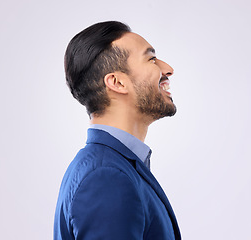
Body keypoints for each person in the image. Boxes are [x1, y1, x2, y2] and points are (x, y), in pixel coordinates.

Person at [54, 21, 181, 240]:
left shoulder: (113, 167)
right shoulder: (105, 177)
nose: (167, 68)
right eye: (151, 59)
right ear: (117, 82)